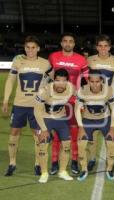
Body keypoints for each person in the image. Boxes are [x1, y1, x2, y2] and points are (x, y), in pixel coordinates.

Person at [2, 35, 52, 176]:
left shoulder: (45, 64)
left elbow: (50, 83)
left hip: (37, 106)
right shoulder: (18, 61)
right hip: (19, 105)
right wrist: (6, 100)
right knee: (14, 133)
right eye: (28, 47)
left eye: (33, 47)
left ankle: (37, 163)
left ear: (38, 49)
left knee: (37, 135)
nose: (30, 50)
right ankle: (12, 163)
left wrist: (47, 100)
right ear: (24, 48)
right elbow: (10, 81)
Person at [48, 33, 88, 175]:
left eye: (71, 41)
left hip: (73, 102)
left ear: (74, 44)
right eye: (65, 41)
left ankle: (74, 161)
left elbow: (87, 80)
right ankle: (54, 162)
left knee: (74, 134)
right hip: (57, 101)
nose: (68, 43)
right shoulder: (53, 57)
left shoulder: (81, 59)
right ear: (61, 43)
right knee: (57, 135)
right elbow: (48, 77)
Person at [86, 35, 114, 171]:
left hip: (109, 99)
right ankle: (92, 158)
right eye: (100, 46)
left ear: (110, 47)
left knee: (109, 131)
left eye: (105, 45)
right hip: (93, 98)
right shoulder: (90, 60)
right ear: (96, 47)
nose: (103, 48)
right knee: (92, 133)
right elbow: (86, 78)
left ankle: (110, 159)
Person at [75, 69, 114, 181]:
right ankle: (84, 169)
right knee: (81, 143)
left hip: (104, 119)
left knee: (111, 141)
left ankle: (110, 168)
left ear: (102, 81)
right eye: (92, 81)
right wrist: (81, 128)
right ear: (88, 81)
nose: (94, 84)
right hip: (88, 119)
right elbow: (76, 110)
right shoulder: (82, 90)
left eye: (97, 81)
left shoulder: (108, 90)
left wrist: (112, 127)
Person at [34, 68, 75, 183]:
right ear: (53, 80)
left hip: (61, 118)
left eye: (63, 81)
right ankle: (44, 173)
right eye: (57, 80)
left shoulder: (71, 88)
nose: (60, 84)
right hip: (45, 118)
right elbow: (36, 111)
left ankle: (62, 171)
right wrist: (43, 129)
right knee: (43, 145)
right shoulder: (44, 91)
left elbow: (82, 95)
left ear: (67, 81)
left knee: (66, 144)